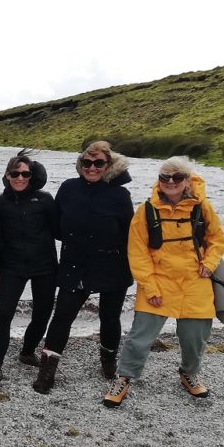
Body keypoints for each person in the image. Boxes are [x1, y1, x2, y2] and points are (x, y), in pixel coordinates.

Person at [103, 157, 224, 407]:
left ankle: (189, 373)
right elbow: (137, 252)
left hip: (195, 281)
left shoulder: (203, 208)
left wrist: (210, 264)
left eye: (177, 177)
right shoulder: (146, 210)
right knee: (139, 338)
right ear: (159, 180)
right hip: (158, 281)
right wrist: (150, 286)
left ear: (187, 181)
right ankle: (123, 378)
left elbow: (218, 239)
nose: (170, 182)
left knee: (194, 337)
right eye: (165, 177)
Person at [33, 141, 134, 394]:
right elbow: (56, 226)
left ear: (108, 165)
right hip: (75, 263)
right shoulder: (68, 188)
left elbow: (130, 233)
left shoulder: (120, 195)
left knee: (109, 318)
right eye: (87, 163)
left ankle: (108, 361)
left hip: (113, 263)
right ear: (80, 164)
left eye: (98, 163)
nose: (92, 167)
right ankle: (47, 372)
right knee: (62, 317)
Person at [0, 150, 59, 389]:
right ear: (7, 176)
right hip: (11, 267)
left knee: (43, 312)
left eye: (25, 173)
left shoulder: (45, 199)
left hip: (45, 266)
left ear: (32, 175)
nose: (20, 178)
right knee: (4, 313)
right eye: (15, 173)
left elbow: (60, 230)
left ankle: (27, 351)